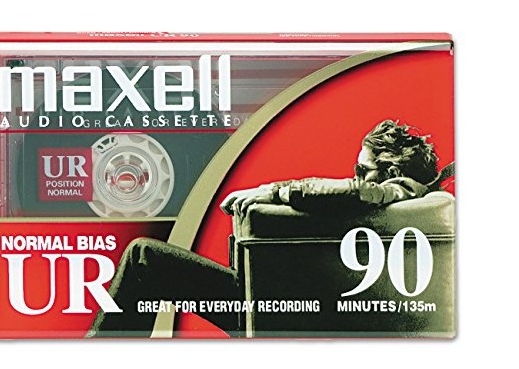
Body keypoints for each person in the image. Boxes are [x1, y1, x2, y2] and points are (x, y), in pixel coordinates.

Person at [88, 119, 440, 337]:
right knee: (148, 261)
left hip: (278, 308)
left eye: (363, 169)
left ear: (392, 172)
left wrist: (269, 192)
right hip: (292, 302)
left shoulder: (395, 190)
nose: (355, 176)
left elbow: (350, 191)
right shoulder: (413, 198)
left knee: (144, 257)